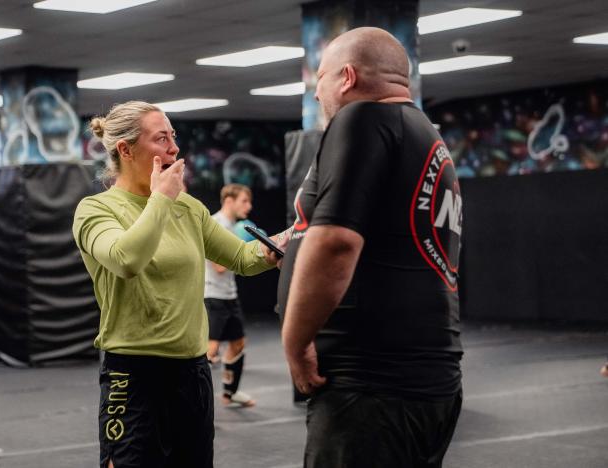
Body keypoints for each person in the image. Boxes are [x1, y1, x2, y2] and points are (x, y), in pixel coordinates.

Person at [277, 27, 464, 468]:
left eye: (318, 79)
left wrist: (295, 342)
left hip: (369, 390)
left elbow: (337, 243)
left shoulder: (361, 119)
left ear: (345, 77)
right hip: (420, 381)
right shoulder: (423, 134)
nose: (317, 94)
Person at [72, 101, 282, 468]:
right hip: (134, 374)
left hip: (192, 372)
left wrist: (274, 248)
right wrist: (161, 199)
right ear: (126, 149)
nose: (174, 148)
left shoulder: (189, 208)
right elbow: (126, 260)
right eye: (161, 138)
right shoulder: (96, 210)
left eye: (174, 137)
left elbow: (241, 258)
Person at [204, 183, 256, 407]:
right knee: (209, 350)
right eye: (244, 201)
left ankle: (229, 393)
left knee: (238, 343)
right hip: (212, 295)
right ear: (229, 201)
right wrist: (243, 246)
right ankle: (196, 403)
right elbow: (218, 266)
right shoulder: (215, 224)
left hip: (229, 294)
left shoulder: (234, 226)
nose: (249, 206)